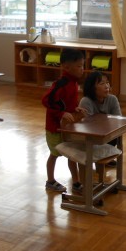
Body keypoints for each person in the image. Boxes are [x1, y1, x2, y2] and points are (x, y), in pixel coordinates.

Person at [41, 48, 87, 193]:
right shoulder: (61, 84)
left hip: (67, 127)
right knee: (54, 154)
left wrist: (75, 108)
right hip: (54, 127)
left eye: (82, 65)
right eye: (79, 66)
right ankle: (50, 181)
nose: (82, 69)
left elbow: (67, 102)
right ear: (66, 67)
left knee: (72, 154)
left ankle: (76, 182)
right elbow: (46, 100)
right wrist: (61, 113)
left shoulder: (74, 83)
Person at [79, 71, 122, 171]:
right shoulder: (86, 101)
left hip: (106, 135)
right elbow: (89, 127)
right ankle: (98, 158)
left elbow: (118, 120)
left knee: (116, 135)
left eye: (107, 82)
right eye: (102, 83)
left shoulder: (112, 99)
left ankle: (104, 156)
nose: (106, 86)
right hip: (90, 138)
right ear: (92, 87)